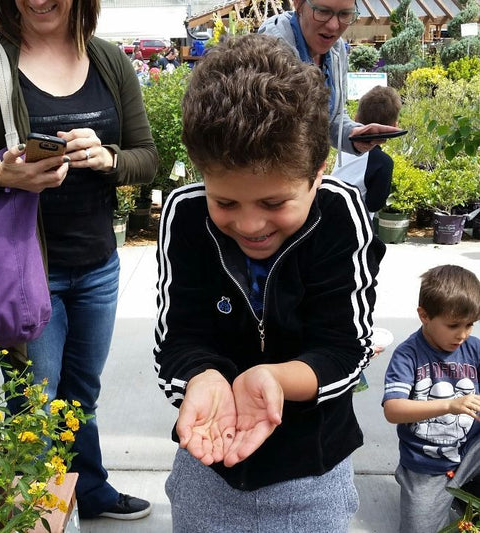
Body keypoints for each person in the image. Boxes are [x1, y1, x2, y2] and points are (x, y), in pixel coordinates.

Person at [154, 33, 385, 532]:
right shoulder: (185, 214)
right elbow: (178, 341)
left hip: (314, 471)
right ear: (201, 175)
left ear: (318, 174)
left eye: (275, 203)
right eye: (226, 202)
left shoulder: (343, 216)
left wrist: (275, 379)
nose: (250, 225)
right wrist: (203, 378)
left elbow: (345, 349)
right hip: (207, 467)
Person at [0, 0, 158, 522]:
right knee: (34, 409)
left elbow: (146, 156)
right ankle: (42, 517)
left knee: (81, 394)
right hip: (22, 270)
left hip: (98, 266)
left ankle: (87, 490)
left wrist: (108, 158)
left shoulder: (108, 60)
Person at [382, 264, 480, 533]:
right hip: (428, 465)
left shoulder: (474, 348)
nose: (462, 334)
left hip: (469, 450)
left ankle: (465, 490)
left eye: (469, 324)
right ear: (424, 315)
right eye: (453, 325)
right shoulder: (408, 355)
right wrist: (449, 405)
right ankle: (420, 488)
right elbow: (393, 409)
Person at [259, 0, 401, 155]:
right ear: (298, 4)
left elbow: (333, 117)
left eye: (345, 14)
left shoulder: (336, 49)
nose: (333, 26)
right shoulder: (272, 49)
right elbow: (271, 134)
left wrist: (357, 135)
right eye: (323, 11)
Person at [333, 85, 402, 218]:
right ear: (394, 127)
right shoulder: (383, 162)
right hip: (353, 228)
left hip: (327, 215)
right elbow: (374, 204)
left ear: (355, 118)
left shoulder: (345, 148)